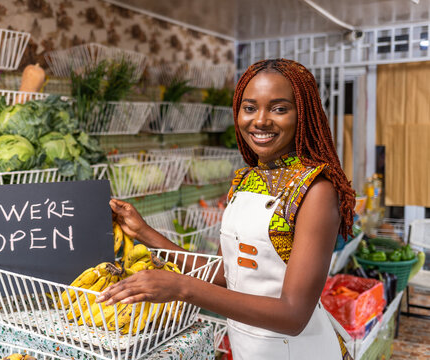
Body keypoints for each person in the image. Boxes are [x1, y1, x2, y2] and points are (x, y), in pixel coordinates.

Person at [97, 58, 356, 360]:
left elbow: (293, 315)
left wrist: (182, 287)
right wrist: (144, 233)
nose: (260, 120)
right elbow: (226, 274)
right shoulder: (246, 180)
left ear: (304, 115)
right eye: (249, 108)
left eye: (279, 108)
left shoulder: (316, 190)